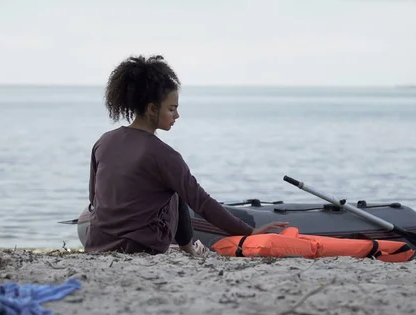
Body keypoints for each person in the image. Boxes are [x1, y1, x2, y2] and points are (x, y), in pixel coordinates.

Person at [84, 54, 288, 255]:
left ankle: (186, 247)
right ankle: (188, 248)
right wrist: (249, 231)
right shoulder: (164, 155)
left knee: (168, 184)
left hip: (96, 243)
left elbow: (94, 196)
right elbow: (201, 202)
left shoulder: (104, 141)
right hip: (140, 247)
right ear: (152, 109)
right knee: (176, 189)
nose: (177, 116)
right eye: (172, 109)